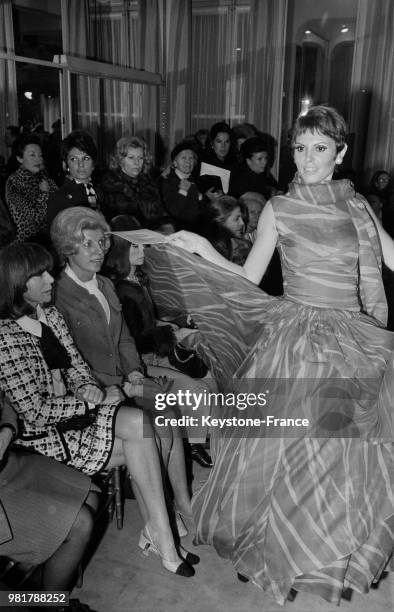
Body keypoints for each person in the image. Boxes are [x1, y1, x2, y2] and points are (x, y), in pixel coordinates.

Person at [164, 105, 394, 604]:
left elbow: (391, 255)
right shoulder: (279, 207)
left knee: (339, 456)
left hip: (350, 338)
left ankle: (323, 548)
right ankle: (266, 545)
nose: (307, 159)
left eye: (319, 148)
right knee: (275, 452)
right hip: (294, 336)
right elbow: (249, 277)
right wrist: (201, 250)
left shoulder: (357, 204)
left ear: (341, 152)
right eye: (299, 148)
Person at [0, 242, 196, 578]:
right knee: (147, 430)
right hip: (44, 434)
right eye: (41, 274)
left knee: (145, 426)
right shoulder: (4, 335)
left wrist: (87, 387)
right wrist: (92, 399)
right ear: (19, 283)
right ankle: (161, 532)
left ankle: (159, 532)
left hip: (77, 415)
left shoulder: (48, 313)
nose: (51, 278)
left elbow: (76, 367)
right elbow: (34, 412)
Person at [50, 208, 204, 528]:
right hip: (98, 389)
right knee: (157, 427)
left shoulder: (105, 284)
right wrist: (117, 385)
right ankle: (155, 519)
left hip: (126, 378)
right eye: (88, 244)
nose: (99, 251)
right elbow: (70, 362)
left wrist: (134, 372)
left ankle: (183, 504)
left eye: (102, 242)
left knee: (169, 413)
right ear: (68, 248)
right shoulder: (57, 295)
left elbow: (123, 340)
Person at [102, 231, 213, 468]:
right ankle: (192, 444)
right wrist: (172, 334)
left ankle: (195, 439)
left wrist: (173, 324)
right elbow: (133, 340)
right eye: (134, 248)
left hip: (155, 354)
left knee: (209, 377)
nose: (142, 252)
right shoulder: (122, 290)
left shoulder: (137, 281)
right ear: (120, 252)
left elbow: (147, 323)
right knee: (198, 389)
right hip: (140, 363)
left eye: (142, 247)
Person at [0, 392, 97, 612]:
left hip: (9, 466)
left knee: (87, 495)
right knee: (80, 522)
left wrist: (7, 430)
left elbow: (6, 401)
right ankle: (49, 604)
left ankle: (51, 602)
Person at [100, 136, 165, 226]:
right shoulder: (111, 184)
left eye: (140, 158)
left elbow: (158, 214)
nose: (137, 163)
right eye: (131, 158)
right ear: (120, 160)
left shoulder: (149, 181)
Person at [5, 134, 57, 242]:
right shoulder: (14, 182)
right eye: (32, 155)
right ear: (20, 158)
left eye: (40, 155)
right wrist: (44, 194)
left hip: (51, 240)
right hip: (29, 246)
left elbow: (60, 202)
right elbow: (35, 218)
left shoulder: (43, 177)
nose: (38, 160)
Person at [46, 130, 103, 228]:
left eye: (86, 158)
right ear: (65, 164)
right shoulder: (58, 198)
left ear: (93, 164)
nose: (81, 165)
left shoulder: (101, 192)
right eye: (74, 159)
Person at [160, 141, 211, 230]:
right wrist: (183, 191)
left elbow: (202, 211)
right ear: (175, 163)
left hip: (197, 228)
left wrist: (202, 197)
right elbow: (173, 212)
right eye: (183, 158)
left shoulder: (194, 180)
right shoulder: (167, 182)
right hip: (178, 230)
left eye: (191, 158)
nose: (188, 162)